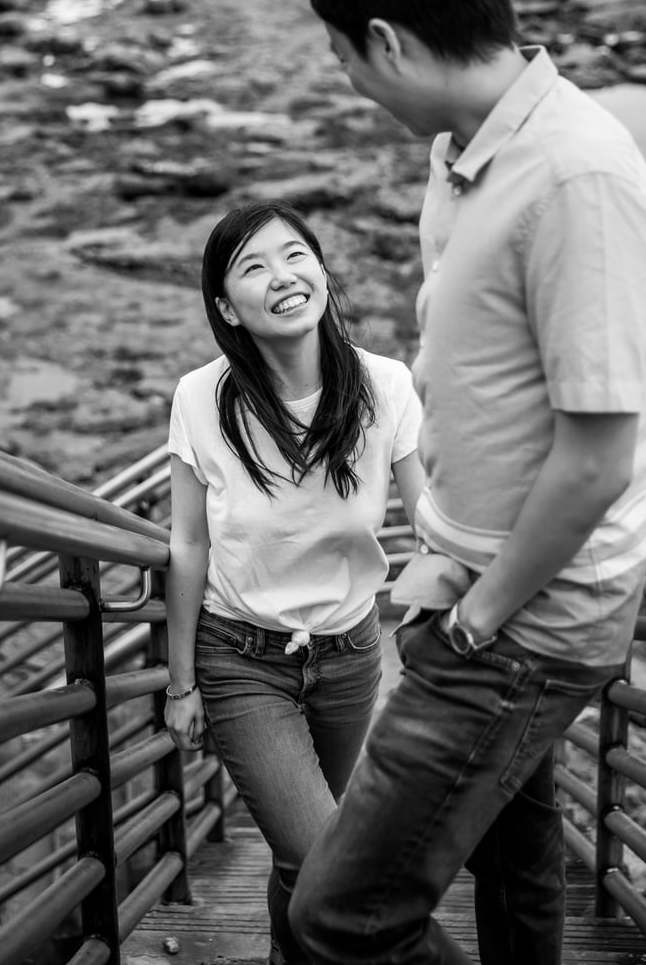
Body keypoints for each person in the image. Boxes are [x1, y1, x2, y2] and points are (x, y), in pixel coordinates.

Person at [289, 0, 646, 965]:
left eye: (344, 59)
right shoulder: (464, 155)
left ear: (387, 41)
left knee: (335, 918)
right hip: (474, 581)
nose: (352, 84)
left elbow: (598, 456)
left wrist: (478, 616)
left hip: (522, 621)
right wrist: (442, 553)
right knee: (515, 859)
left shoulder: (574, 178)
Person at [164, 200, 424, 965]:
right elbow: (187, 541)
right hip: (240, 657)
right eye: (253, 266)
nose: (282, 276)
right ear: (226, 307)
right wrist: (180, 684)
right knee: (325, 861)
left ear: (321, 271)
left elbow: (432, 518)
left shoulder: (385, 385)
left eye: (295, 255)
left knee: (301, 856)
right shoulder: (200, 398)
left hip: (350, 653)